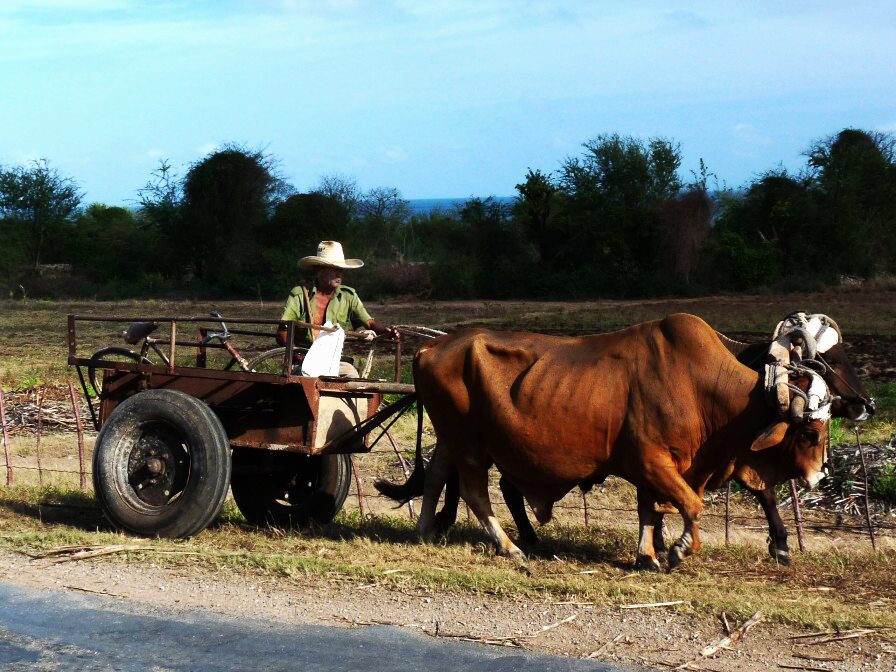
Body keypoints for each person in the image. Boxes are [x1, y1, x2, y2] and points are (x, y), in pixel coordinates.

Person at [277, 241, 399, 357]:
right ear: (319, 269)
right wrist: (296, 355)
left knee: (352, 377)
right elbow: (282, 332)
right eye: (334, 269)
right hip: (304, 357)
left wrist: (385, 330)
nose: (339, 274)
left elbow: (369, 323)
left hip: (334, 360)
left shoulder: (348, 296)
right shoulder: (300, 295)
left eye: (341, 269)